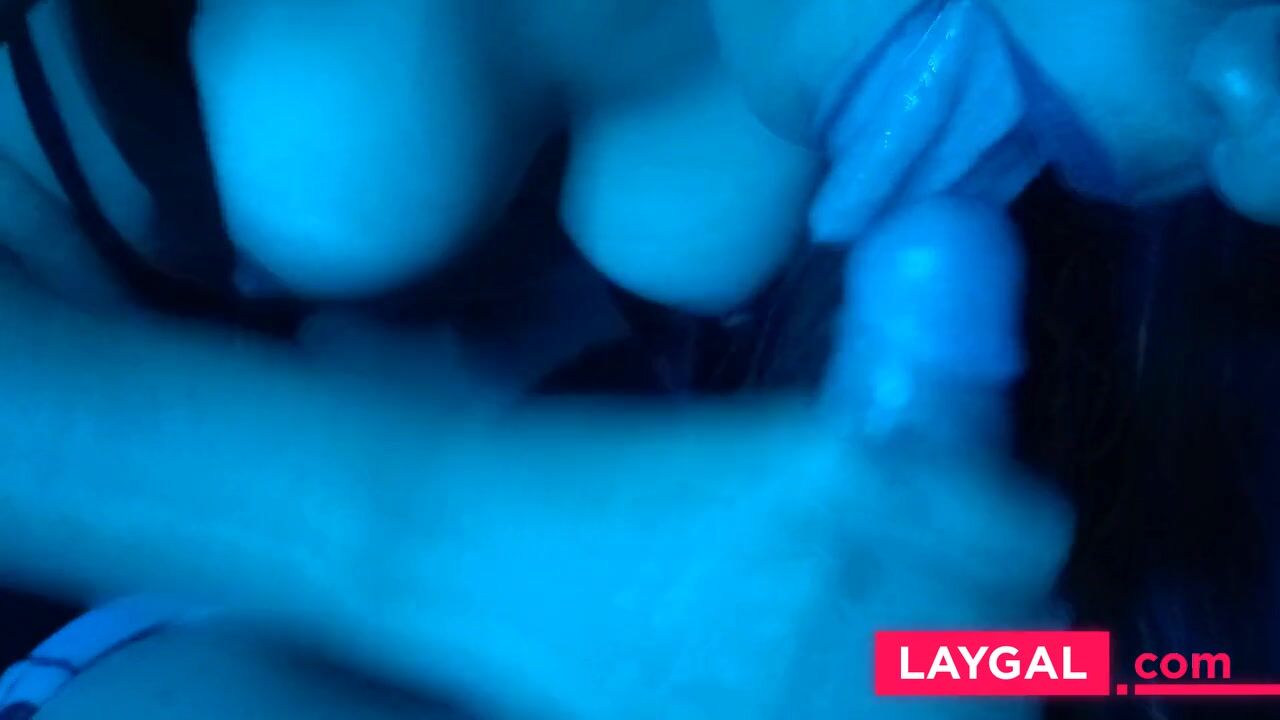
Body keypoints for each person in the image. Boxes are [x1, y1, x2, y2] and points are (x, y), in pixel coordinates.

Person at [0, 0, 1273, 718]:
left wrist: (1145, 671)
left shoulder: (1046, 255)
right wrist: (456, 548)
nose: (1261, 160)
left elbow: (1089, 658)